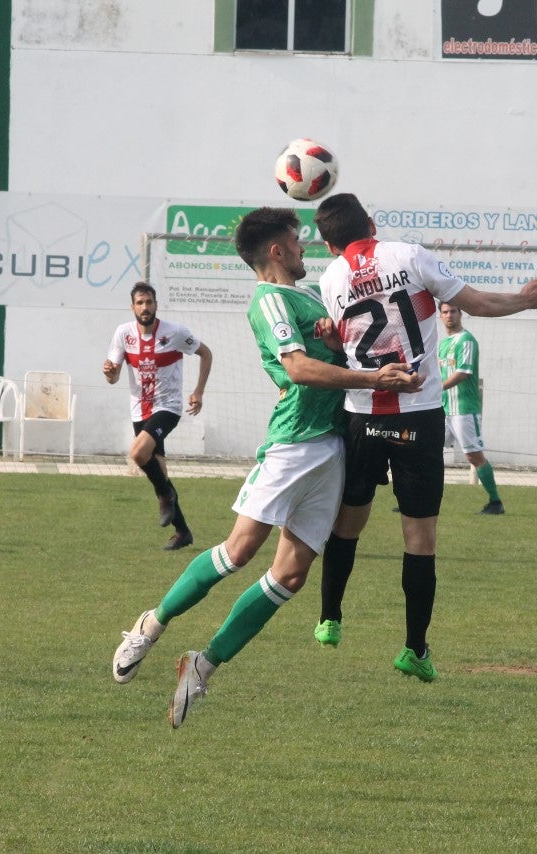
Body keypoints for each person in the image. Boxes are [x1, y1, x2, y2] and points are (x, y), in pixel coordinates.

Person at [111, 207, 421, 728]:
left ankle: (202, 667)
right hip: (294, 442)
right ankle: (151, 624)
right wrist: (374, 381)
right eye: (297, 242)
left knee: (292, 575)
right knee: (239, 550)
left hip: (334, 447)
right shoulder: (270, 299)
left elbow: (335, 347)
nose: (305, 250)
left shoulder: (314, 295)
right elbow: (296, 369)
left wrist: (336, 335)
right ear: (276, 252)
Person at [311, 192, 537, 680]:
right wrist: (525, 299)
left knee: (348, 522)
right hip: (418, 415)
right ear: (371, 221)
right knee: (420, 538)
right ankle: (414, 649)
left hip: (361, 413)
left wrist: (331, 339)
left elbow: (346, 341)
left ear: (327, 244)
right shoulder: (408, 255)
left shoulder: (330, 278)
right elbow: (477, 303)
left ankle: (329, 617)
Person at [103, 282, 212, 551]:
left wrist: (198, 391)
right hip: (139, 410)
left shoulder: (174, 332)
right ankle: (183, 531)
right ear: (133, 307)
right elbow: (113, 376)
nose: (145, 307)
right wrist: (109, 372)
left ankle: (165, 495)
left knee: (139, 454)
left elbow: (205, 353)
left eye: (149, 302)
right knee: (159, 472)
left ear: (156, 305)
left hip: (168, 408)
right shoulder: (123, 334)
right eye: (140, 303)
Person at [438, 301, 504, 515]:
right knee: (428, 452)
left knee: (474, 456)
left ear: (461, 313)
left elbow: (463, 372)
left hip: (465, 409)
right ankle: (419, 500)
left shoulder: (466, 340)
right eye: (445, 312)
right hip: (444, 408)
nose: (449, 316)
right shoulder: (442, 344)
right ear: (440, 316)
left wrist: (436, 388)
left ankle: (495, 502)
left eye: (453, 311)